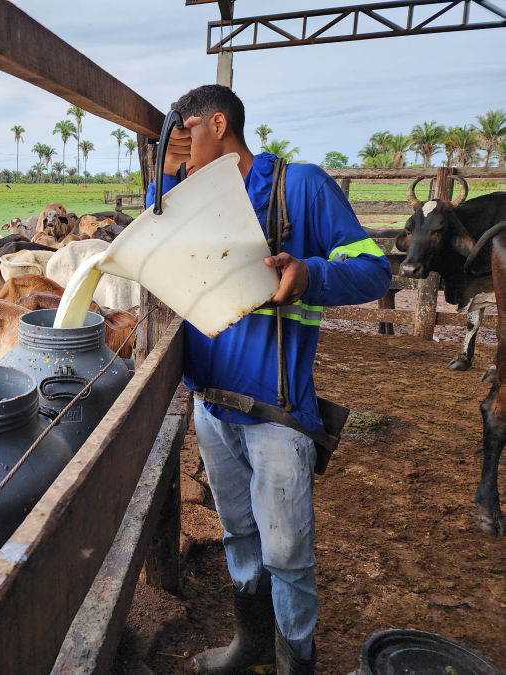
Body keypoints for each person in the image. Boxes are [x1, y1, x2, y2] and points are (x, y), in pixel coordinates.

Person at [144, 85, 391, 675]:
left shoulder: (299, 186)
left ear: (218, 124)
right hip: (212, 409)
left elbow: (375, 272)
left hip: (277, 414)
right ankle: (250, 642)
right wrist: (167, 171)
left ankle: (294, 661)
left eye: (184, 127)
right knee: (239, 536)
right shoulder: (187, 199)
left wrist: (309, 274)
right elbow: (150, 235)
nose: (175, 141)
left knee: (287, 552)